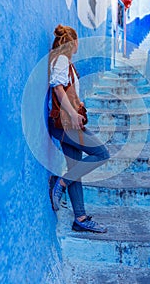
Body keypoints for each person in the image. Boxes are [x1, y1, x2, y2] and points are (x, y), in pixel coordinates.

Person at [48, 24, 110, 233]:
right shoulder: (62, 60)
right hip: (66, 124)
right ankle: (62, 183)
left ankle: (80, 218)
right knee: (101, 153)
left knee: (76, 168)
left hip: (69, 123)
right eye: (77, 42)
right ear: (73, 42)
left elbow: (67, 90)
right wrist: (73, 113)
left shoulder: (68, 64)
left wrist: (79, 106)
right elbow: (57, 88)